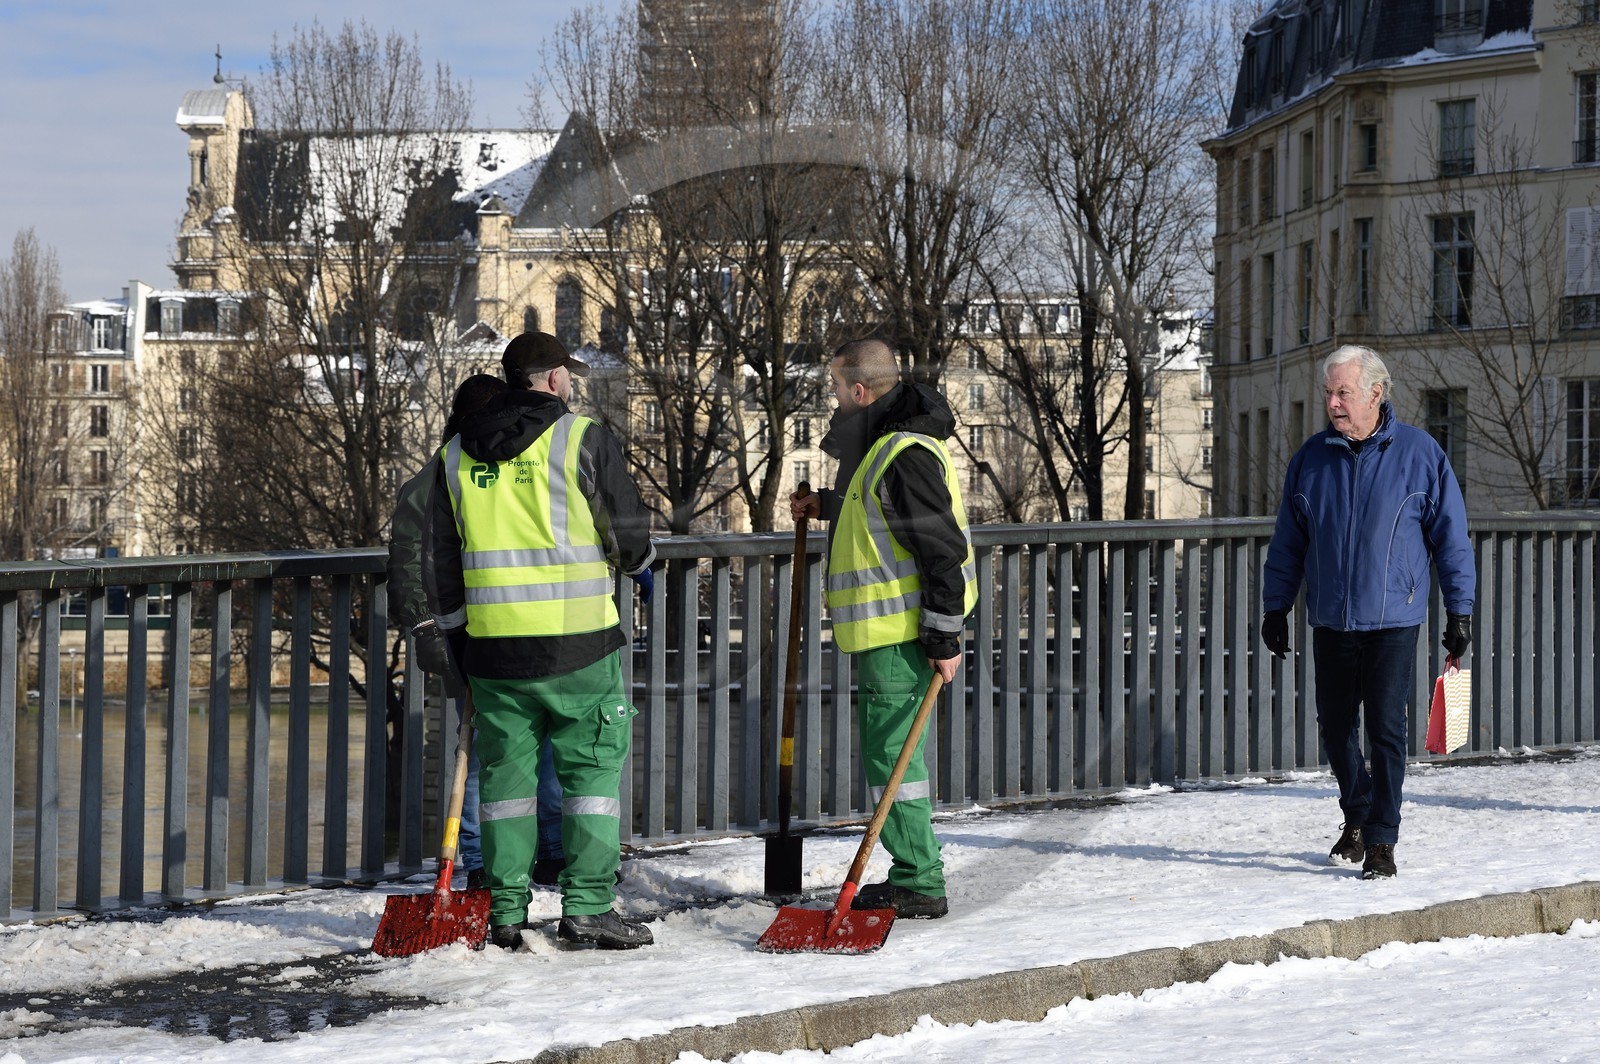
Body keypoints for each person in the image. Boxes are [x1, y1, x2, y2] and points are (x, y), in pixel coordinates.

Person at [430, 331, 656, 950]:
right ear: (554, 378)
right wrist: (642, 565)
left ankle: (505, 913)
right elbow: (628, 535)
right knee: (589, 780)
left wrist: (458, 645)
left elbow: (442, 565)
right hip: (579, 644)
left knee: (506, 786)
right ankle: (586, 908)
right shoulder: (580, 438)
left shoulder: (455, 454)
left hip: (495, 650)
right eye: (568, 374)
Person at [1261, 344, 1475, 880]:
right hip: (1331, 617)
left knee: (1386, 731)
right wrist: (1276, 606)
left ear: (1376, 393)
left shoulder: (1420, 454)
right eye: (1329, 393)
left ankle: (1381, 838)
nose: (1333, 403)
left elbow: (1452, 539)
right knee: (1334, 729)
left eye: (1343, 392)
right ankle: (1356, 813)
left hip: (1394, 619)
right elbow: (1288, 542)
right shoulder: (1310, 460)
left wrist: (1460, 611)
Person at [790, 338, 977, 919]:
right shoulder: (884, 448)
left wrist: (943, 636)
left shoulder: (903, 453)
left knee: (896, 760)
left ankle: (918, 878)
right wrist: (825, 502)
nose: (833, 398)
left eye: (837, 389)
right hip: (888, 635)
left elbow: (940, 548)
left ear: (861, 391)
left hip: (900, 636)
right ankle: (915, 872)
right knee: (893, 758)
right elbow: (876, 509)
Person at [386, 374, 566, 893]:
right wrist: (429, 633)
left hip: (499, 629)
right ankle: (478, 857)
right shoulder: (442, 479)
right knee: (486, 747)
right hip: (472, 634)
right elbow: (409, 565)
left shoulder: (471, 472)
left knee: (524, 741)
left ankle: (527, 852)